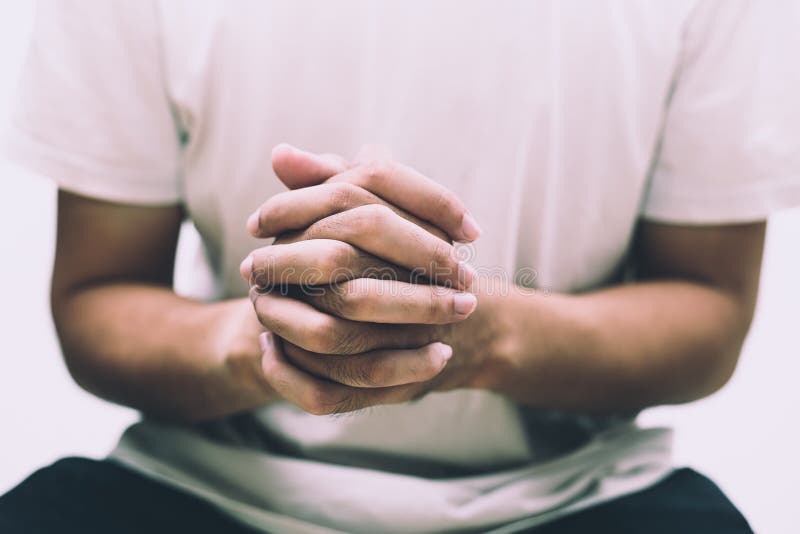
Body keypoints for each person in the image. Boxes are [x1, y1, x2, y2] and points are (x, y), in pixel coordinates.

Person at [2, 1, 799, 532]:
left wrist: (474, 332)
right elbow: (97, 298)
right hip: (205, 482)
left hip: (583, 493)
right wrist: (266, 341)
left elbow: (709, 311)